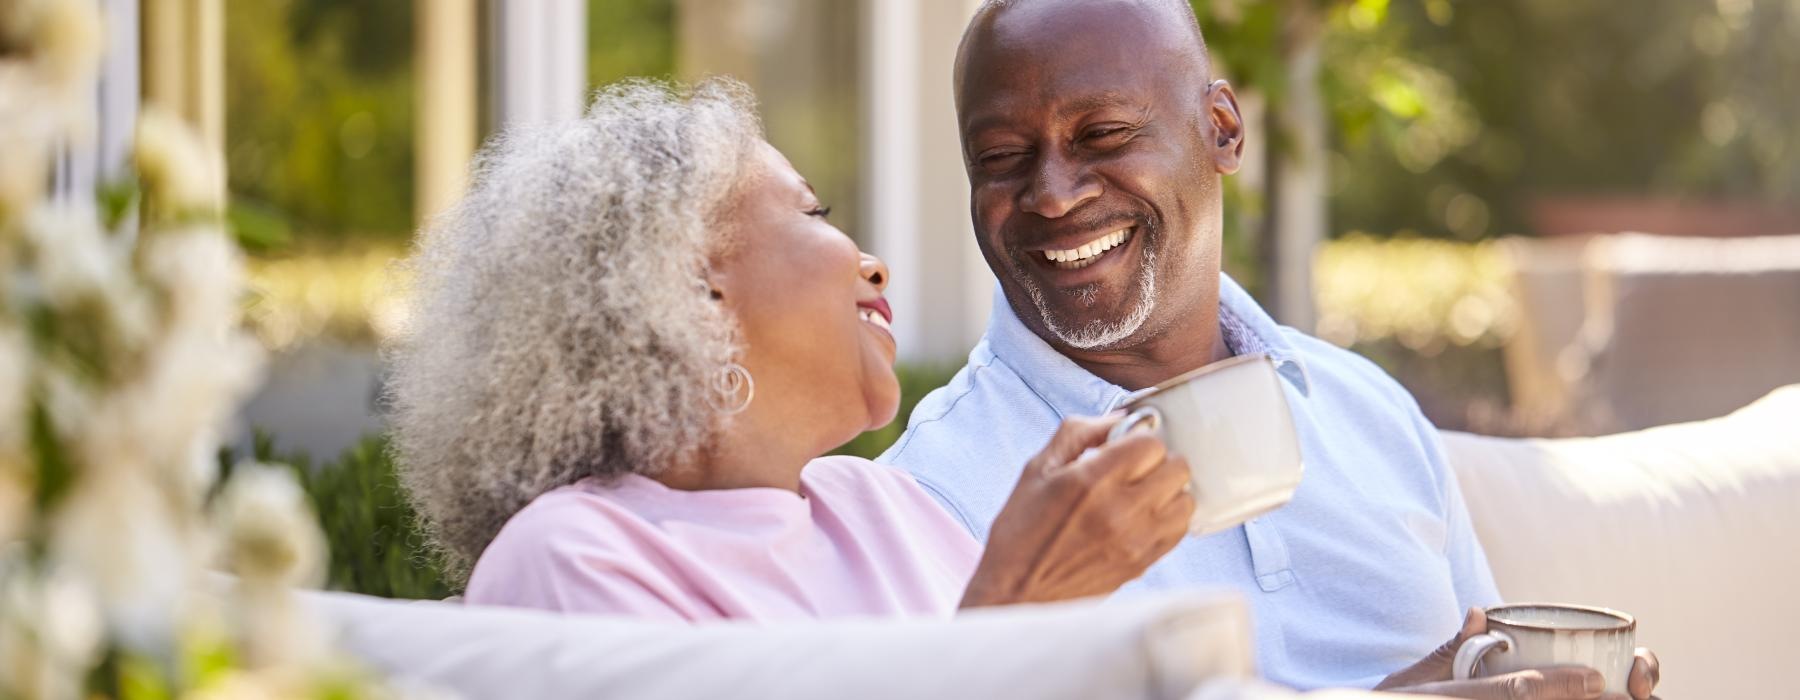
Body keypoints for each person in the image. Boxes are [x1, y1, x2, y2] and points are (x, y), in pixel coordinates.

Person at [877, 1, 1660, 698]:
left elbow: (1479, 665)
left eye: (1103, 134)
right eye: (1002, 159)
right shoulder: (935, 493)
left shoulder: (1367, 410)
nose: (1052, 193)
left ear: (1222, 129)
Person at [386, 79, 1196, 623]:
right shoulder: (572, 558)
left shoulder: (888, 508)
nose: (873, 263)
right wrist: (1016, 609)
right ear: (690, 291)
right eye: (813, 212)